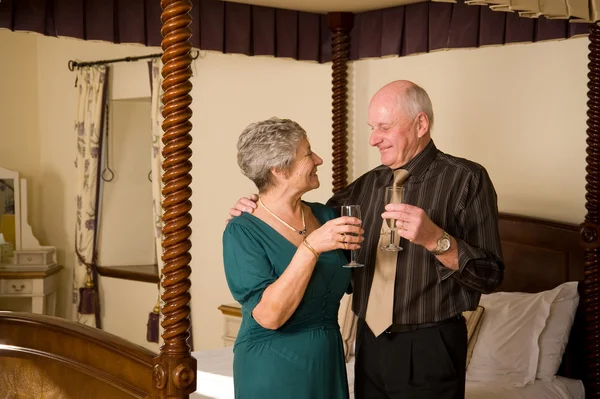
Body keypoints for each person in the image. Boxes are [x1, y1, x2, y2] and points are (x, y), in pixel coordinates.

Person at [228, 80, 505, 399]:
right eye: (373, 127)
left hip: (431, 344)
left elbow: (491, 276)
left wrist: (437, 240)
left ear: (420, 124)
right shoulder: (359, 190)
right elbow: (294, 220)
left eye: (384, 127)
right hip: (368, 342)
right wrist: (253, 205)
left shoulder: (466, 180)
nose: (374, 139)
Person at [223, 117, 365, 399]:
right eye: (308, 153)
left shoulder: (326, 216)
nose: (319, 160)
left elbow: (354, 279)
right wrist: (310, 247)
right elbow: (270, 316)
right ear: (279, 169)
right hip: (273, 366)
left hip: (327, 361)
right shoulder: (242, 230)